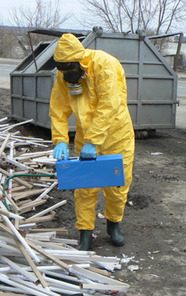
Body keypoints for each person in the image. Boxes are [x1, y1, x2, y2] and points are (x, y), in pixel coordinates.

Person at [49, 33, 135, 251]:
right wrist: (60, 139)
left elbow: (109, 105)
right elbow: (58, 108)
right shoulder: (64, 75)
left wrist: (94, 142)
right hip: (85, 137)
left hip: (117, 136)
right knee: (85, 188)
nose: (68, 76)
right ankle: (85, 233)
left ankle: (114, 225)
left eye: (70, 70)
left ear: (80, 62)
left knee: (117, 185)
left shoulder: (105, 65)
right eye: (63, 71)